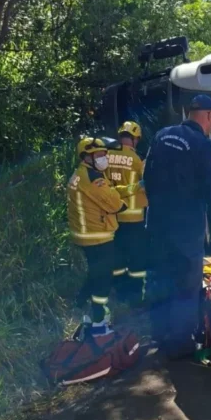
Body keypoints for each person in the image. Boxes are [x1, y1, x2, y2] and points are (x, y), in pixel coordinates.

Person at [142, 94, 211, 359]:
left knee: (160, 277)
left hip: (157, 224)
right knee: (185, 284)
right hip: (186, 228)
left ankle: (159, 333)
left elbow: (147, 176)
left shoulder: (162, 136)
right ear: (208, 116)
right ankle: (180, 344)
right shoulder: (203, 145)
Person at [68, 136, 127, 336]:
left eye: (104, 154)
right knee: (102, 280)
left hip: (87, 235)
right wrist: (122, 200)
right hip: (97, 237)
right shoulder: (94, 179)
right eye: (99, 154)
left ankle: (81, 303)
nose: (103, 157)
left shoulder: (80, 174)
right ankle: (98, 321)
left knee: (95, 273)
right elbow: (115, 204)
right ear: (87, 157)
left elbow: (109, 193)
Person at [106, 121, 148, 308]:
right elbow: (146, 184)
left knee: (118, 259)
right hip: (134, 218)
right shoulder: (137, 160)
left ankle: (120, 294)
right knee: (137, 261)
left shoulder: (106, 157)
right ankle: (136, 297)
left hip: (114, 218)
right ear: (135, 138)